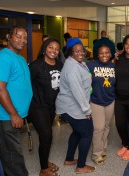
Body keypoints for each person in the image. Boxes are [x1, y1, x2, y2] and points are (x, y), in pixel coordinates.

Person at [0, 26, 32, 176]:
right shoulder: (2, 58)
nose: (23, 40)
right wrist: (14, 114)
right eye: (18, 36)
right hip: (5, 116)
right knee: (12, 157)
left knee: (11, 154)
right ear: (9, 37)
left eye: (25, 37)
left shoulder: (20, 58)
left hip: (14, 115)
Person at [55, 38, 96, 174]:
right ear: (70, 52)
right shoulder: (72, 67)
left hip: (72, 105)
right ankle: (81, 166)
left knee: (77, 132)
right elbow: (77, 91)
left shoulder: (78, 63)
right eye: (76, 51)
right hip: (72, 107)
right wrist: (87, 110)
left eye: (82, 50)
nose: (80, 53)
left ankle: (69, 159)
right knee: (87, 133)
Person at [28, 38, 63, 176]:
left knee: (46, 137)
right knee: (47, 135)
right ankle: (43, 169)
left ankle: (45, 160)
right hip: (37, 106)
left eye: (56, 48)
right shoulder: (35, 66)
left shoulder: (60, 65)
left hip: (51, 106)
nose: (53, 50)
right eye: (50, 47)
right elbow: (25, 86)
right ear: (44, 48)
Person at [87, 44, 116, 165]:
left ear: (110, 53)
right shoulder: (90, 65)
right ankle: (96, 154)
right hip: (96, 101)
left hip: (110, 101)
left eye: (107, 52)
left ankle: (103, 148)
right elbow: (85, 83)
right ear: (97, 54)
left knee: (107, 126)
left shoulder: (114, 67)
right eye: (101, 53)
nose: (104, 55)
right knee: (98, 128)